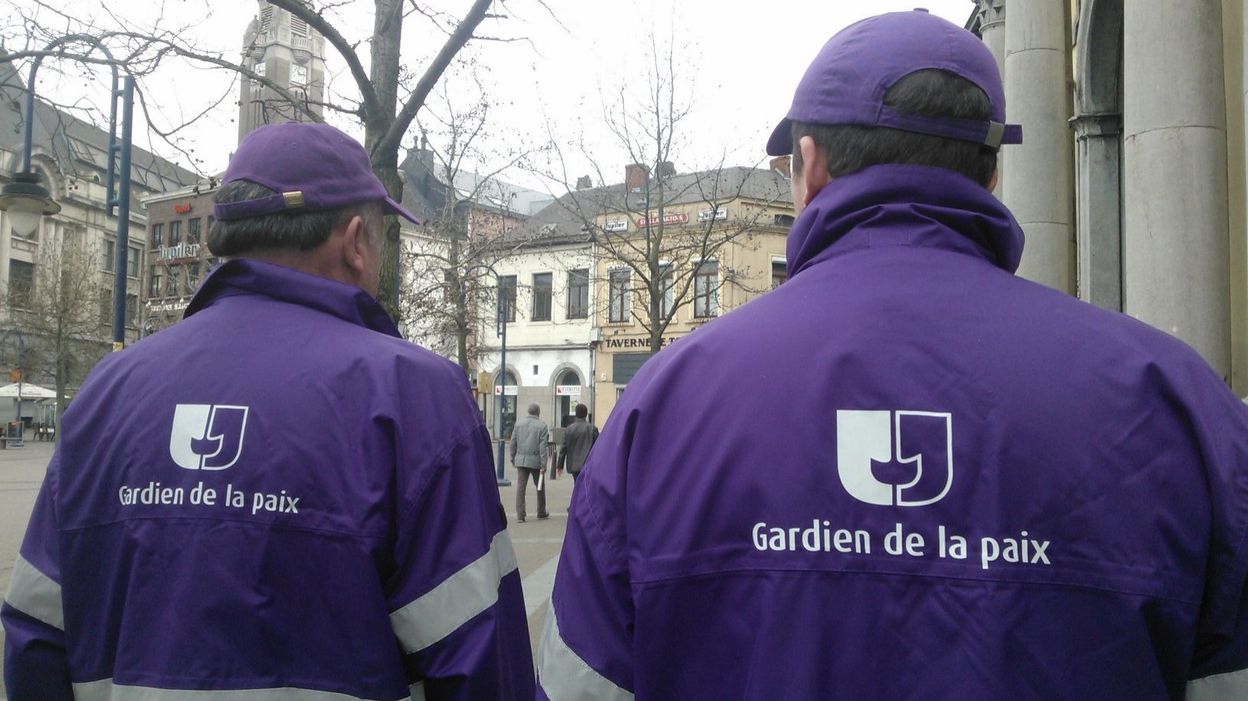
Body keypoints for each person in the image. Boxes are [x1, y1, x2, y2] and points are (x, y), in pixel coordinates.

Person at [536, 10, 1248, 700]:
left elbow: (580, 682)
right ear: (990, 176)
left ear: (808, 168)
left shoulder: (663, 406)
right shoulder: (1178, 403)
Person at [2, 122, 535, 700]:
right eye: (383, 241)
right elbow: (479, 656)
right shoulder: (416, 395)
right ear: (356, 241)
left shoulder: (107, 391)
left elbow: (37, 633)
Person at [510, 402, 549, 522]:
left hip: (521, 460)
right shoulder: (542, 426)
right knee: (539, 486)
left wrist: (513, 457)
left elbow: (513, 442)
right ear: (538, 412)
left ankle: (520, 515)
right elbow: (543, 447)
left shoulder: (518, 424)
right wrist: (544, 464)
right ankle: (541, 511)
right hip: (536, 461)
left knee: (521, 488)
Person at [556, 403, 598, 483]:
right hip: (587, 463)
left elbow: (563, 449)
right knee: (585, 485)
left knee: (577, 483)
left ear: (576, 414)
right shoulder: (592, 429)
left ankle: (577, 495)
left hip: (573, 464)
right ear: (586, 414)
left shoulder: (569, 429)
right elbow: (598, 447)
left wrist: (559, 466)